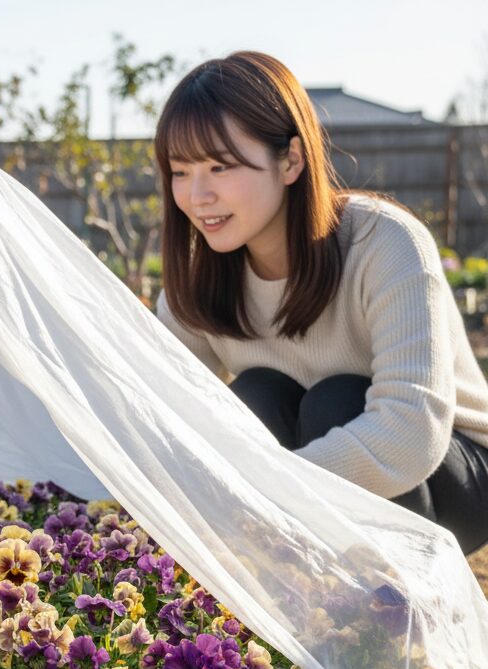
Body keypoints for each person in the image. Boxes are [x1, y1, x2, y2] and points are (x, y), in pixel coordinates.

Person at [152, 51, 488, 556]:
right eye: (180, 171)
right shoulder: (198, 282)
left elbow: (411, 432)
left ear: (290, 160)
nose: (197, 195)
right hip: (315, 482)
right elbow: (158, 412)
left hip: (451, 471)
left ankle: (395, 610)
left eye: (220, 166)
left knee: (336, 400)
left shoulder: (384, 242)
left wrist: (270, 490)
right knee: (256, 395)